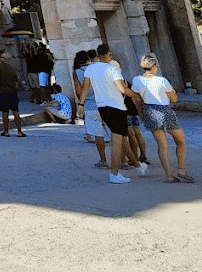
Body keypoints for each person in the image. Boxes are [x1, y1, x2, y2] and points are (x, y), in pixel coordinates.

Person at [80, 44, 141, 183]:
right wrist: (137, 96)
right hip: (116, 107)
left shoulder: (90, 69)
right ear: (109, 54)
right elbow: (123, 89)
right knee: (117, 141)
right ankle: (114, 173)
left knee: (120, 138)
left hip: (102, 107)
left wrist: (80, 104)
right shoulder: (112, 69)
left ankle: (137, 165)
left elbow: (85, 88)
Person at [131, 54, 191, 182]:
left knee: (162, 145)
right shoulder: (161, 80)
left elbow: (136, 99)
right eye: (156, 66)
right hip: (164, 110)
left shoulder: (136, 80)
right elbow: (174, 99)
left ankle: (169, 174)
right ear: (152, 66)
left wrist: (142, 114)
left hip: (149, 111)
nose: (157, 68)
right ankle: (181, 170)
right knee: (180, 142)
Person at [0, 49, 26, 137]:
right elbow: (18, 80)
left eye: (2, 57)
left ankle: (6, 131)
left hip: (3, 92)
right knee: (16, 112)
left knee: (5, 112)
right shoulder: (13, 68)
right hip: (13, 92)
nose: (1, 58)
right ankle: (19, 132)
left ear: (5, 59)